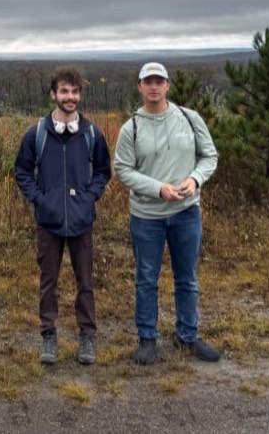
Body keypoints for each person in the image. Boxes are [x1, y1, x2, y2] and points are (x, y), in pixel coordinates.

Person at [114, 62, 221, 365]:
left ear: (168, 86)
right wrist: (158, 188)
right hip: (147, 216)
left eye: (159, 81)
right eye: (147, 81)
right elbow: (122, 169)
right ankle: (147, 338)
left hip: (186, 213)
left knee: (186, 278)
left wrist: (194, 179)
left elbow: (209, 155)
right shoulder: (131, 128)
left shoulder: (189, 118)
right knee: (146, 278)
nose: (153, 87)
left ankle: (188, 335)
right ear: (139, 87)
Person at [14, 67, 111, 365]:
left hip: (82, 221)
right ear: (53, 94)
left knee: (85, 282)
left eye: (75, 91)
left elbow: (103, 171)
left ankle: (87, 336)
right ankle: (49, 335)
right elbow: (22, 172)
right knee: (48, 282)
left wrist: (89, 196)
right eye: (65, 91)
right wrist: (40, 201)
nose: (70, 97)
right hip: (49, 222)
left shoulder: (92, 133)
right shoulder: (37, 134)